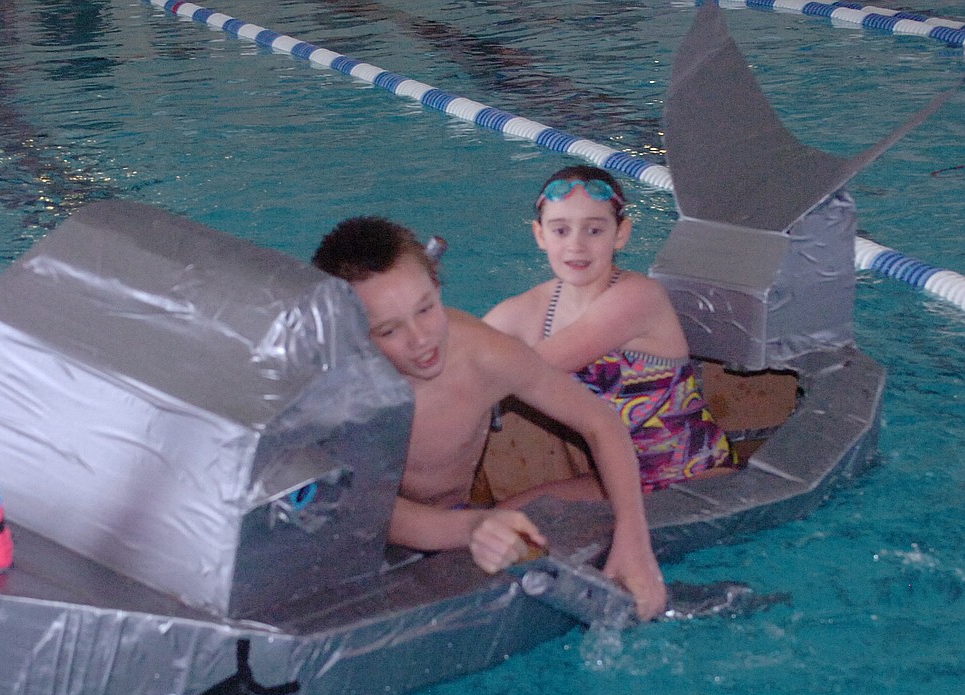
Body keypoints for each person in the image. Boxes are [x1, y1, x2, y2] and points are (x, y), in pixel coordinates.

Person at [312, 216, 667, 621]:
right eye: (388, 331)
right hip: (357, 547)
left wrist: (634, 544)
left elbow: (600, 422)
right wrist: (471, 527)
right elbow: (356, 510)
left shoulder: (484, 356)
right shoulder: (332, 392)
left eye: (426, 309)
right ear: (350, 333)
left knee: (628, 501)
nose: (421, 339)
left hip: (458, 521)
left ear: (438, 285)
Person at [484, 165, 735, 494]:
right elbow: (463, 352)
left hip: (697, 482)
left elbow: (525, 371)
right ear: (540, 235)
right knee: (510, 517)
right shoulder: (528, 310)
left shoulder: (638, 297)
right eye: (561, 231)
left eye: (594, 231)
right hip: (617, 484)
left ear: (621, 234)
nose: (577, 246)